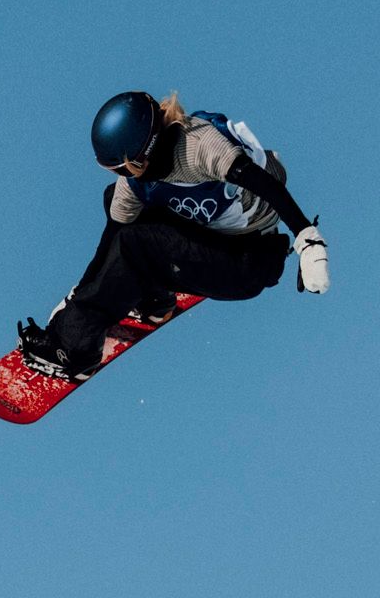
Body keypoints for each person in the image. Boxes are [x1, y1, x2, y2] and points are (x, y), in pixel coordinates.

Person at [18, 89, 330, 381]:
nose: (123, 176)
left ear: (139, 158)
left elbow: (267, 185)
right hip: (216, 237)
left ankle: (73, 351)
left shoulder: (200, 147)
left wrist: (309, 241)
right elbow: (110, 236)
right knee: (119, 207)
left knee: (135, 243)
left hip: (250, 259)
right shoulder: (135, 181)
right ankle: (153, 299)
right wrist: (79, 295)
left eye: (124, 169)